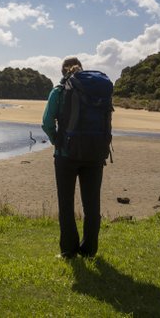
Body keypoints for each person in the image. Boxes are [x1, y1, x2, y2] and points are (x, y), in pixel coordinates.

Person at [42, 57, 104, 259]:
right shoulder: (96, 91)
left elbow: (47, 122)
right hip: (94, 154)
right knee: (92, 205)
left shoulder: (58, 92)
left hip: (66, 155)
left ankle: (69, 250)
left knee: (66, 204)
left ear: (62, 72)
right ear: (82, 71)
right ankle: (89, 251)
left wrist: (56, 141)